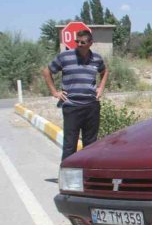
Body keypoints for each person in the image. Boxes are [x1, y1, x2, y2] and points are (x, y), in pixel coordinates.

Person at [42, 30, 108, 161]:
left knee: (91, 144)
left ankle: (87, 176)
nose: (79, 44)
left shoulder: (97, 58)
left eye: (83, 42)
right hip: (72, 107)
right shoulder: (65, 57)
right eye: (77, 41)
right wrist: (55, 92)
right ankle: (67, 176)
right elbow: (47, 71)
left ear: (90, 43)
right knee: (70, 145)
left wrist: (101, 88)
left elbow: (105, 71)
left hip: (91, 106)